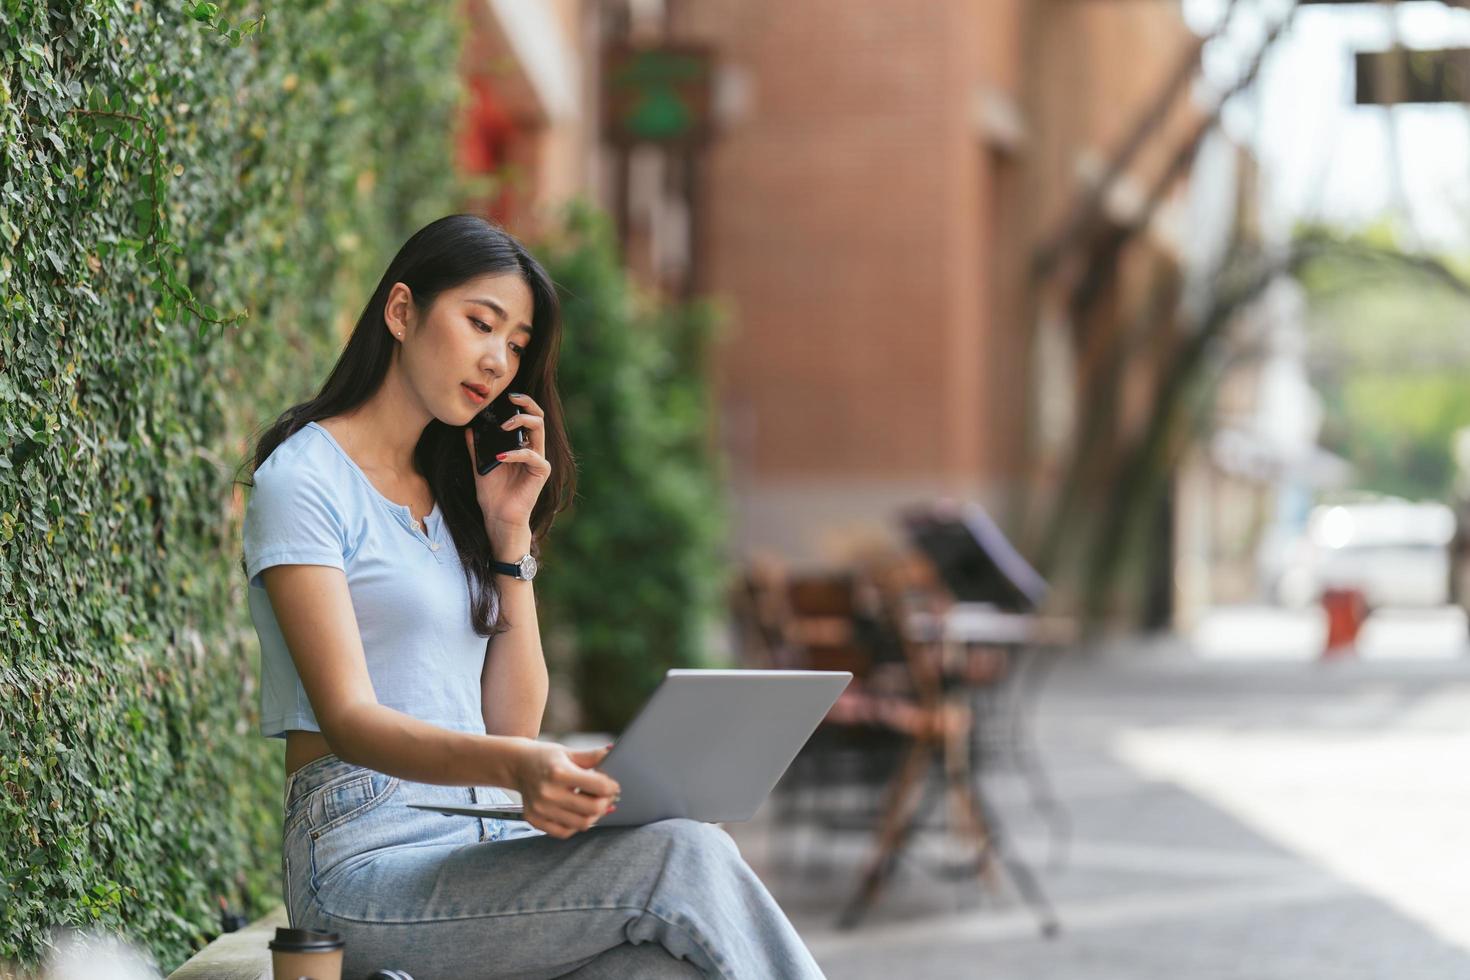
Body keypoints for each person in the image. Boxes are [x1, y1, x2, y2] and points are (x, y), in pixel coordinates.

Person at [239, 214, 824, 979]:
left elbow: (512, 721)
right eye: (482, 323)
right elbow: (349, 721)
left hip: (480, 845)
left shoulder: (457, 496)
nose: (497, 360)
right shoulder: (303, 482)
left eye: (516, 345)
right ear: (402, 311)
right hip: (361, 868)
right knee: (685, 854)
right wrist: (524, 769)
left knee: (661, 970)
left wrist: (509, 539)